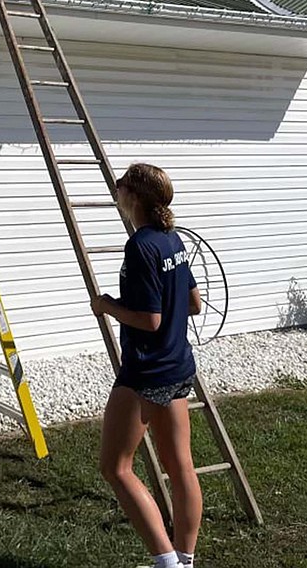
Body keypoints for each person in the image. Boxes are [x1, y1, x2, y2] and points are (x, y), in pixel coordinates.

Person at [90, 164, 203, 568]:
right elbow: (193, 303)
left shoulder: (140, 246)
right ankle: (186, 559)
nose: (116, 189)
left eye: (121, 185)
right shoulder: (172, 240)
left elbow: (150, 319)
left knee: (115, 467)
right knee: (181, 465)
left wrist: (107, 307)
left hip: (146, 370)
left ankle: (166, 562)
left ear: (134, 197)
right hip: (178, 365)